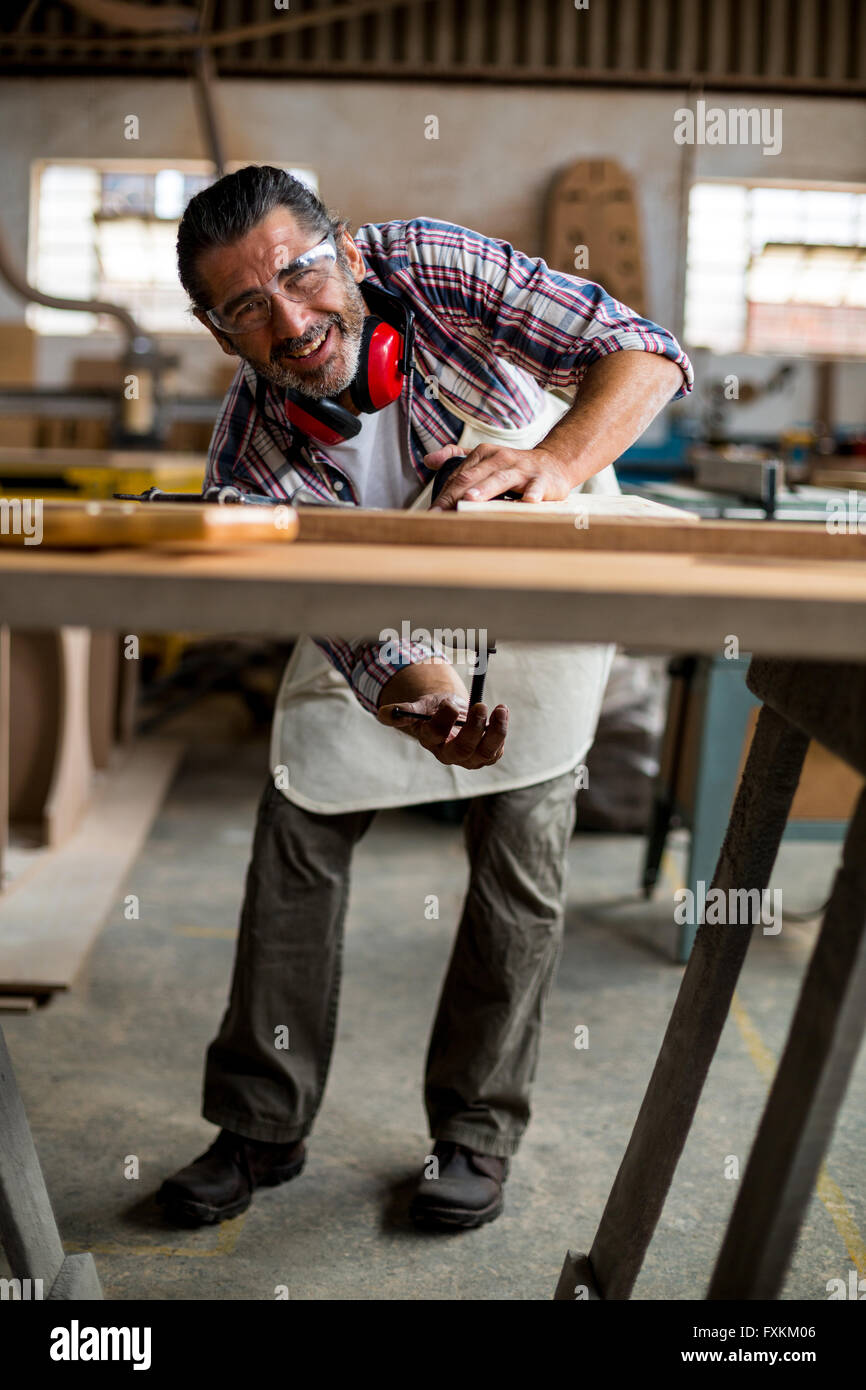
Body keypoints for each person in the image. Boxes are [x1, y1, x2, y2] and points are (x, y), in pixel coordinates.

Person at [156, 164, 692, 1231]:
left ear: (346, 251)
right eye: (248, 307)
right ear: (220, 335)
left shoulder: (438, 263)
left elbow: (647, 353)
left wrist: (549, 461)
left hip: (540, 547)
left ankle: (474, 1133)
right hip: (381, 601)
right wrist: (427, 699)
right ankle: (261, 1126)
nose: (293, 320)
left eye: (301, 274)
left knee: (521, 835)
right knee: (299, 820)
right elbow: (353, 622)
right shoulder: (250, 462)